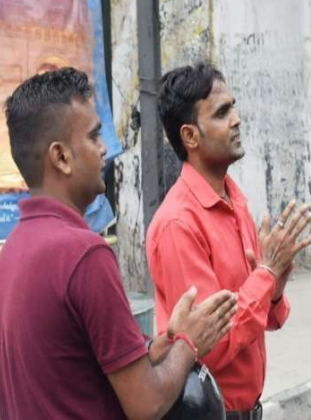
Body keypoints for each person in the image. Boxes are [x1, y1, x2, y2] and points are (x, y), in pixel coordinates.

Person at [0, 67, 237, 420]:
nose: (106, 149)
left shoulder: (13, 249)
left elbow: (78, 367)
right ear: (61, 157)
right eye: (94, 136)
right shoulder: (84, 254)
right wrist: (190, 344)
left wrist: (164, 345)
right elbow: (147, 403)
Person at [148, 63, 311, 419]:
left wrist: (275, 287)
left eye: (233, 108)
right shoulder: (179, 223)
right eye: (222, 113)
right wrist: (266, 274)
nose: (236, 120)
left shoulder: (234, 200)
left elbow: (265, 319)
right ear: (190, 136)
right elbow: (211, 345)